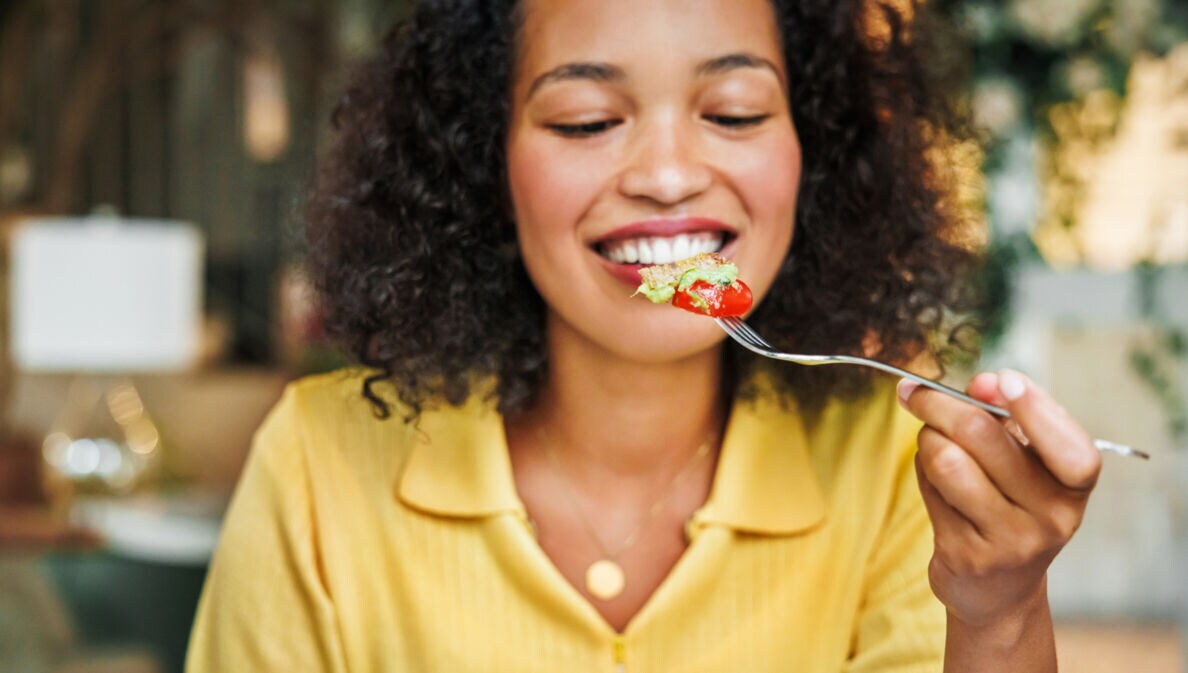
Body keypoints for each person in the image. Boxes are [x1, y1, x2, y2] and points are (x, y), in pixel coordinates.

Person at [186, 0, 1103, 671]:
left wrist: (1000, 611)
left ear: (813, 151)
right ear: (482, 159)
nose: (666, 176)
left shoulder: (900, 464)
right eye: (587, 120)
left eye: (733, 112)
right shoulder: (316, 463)